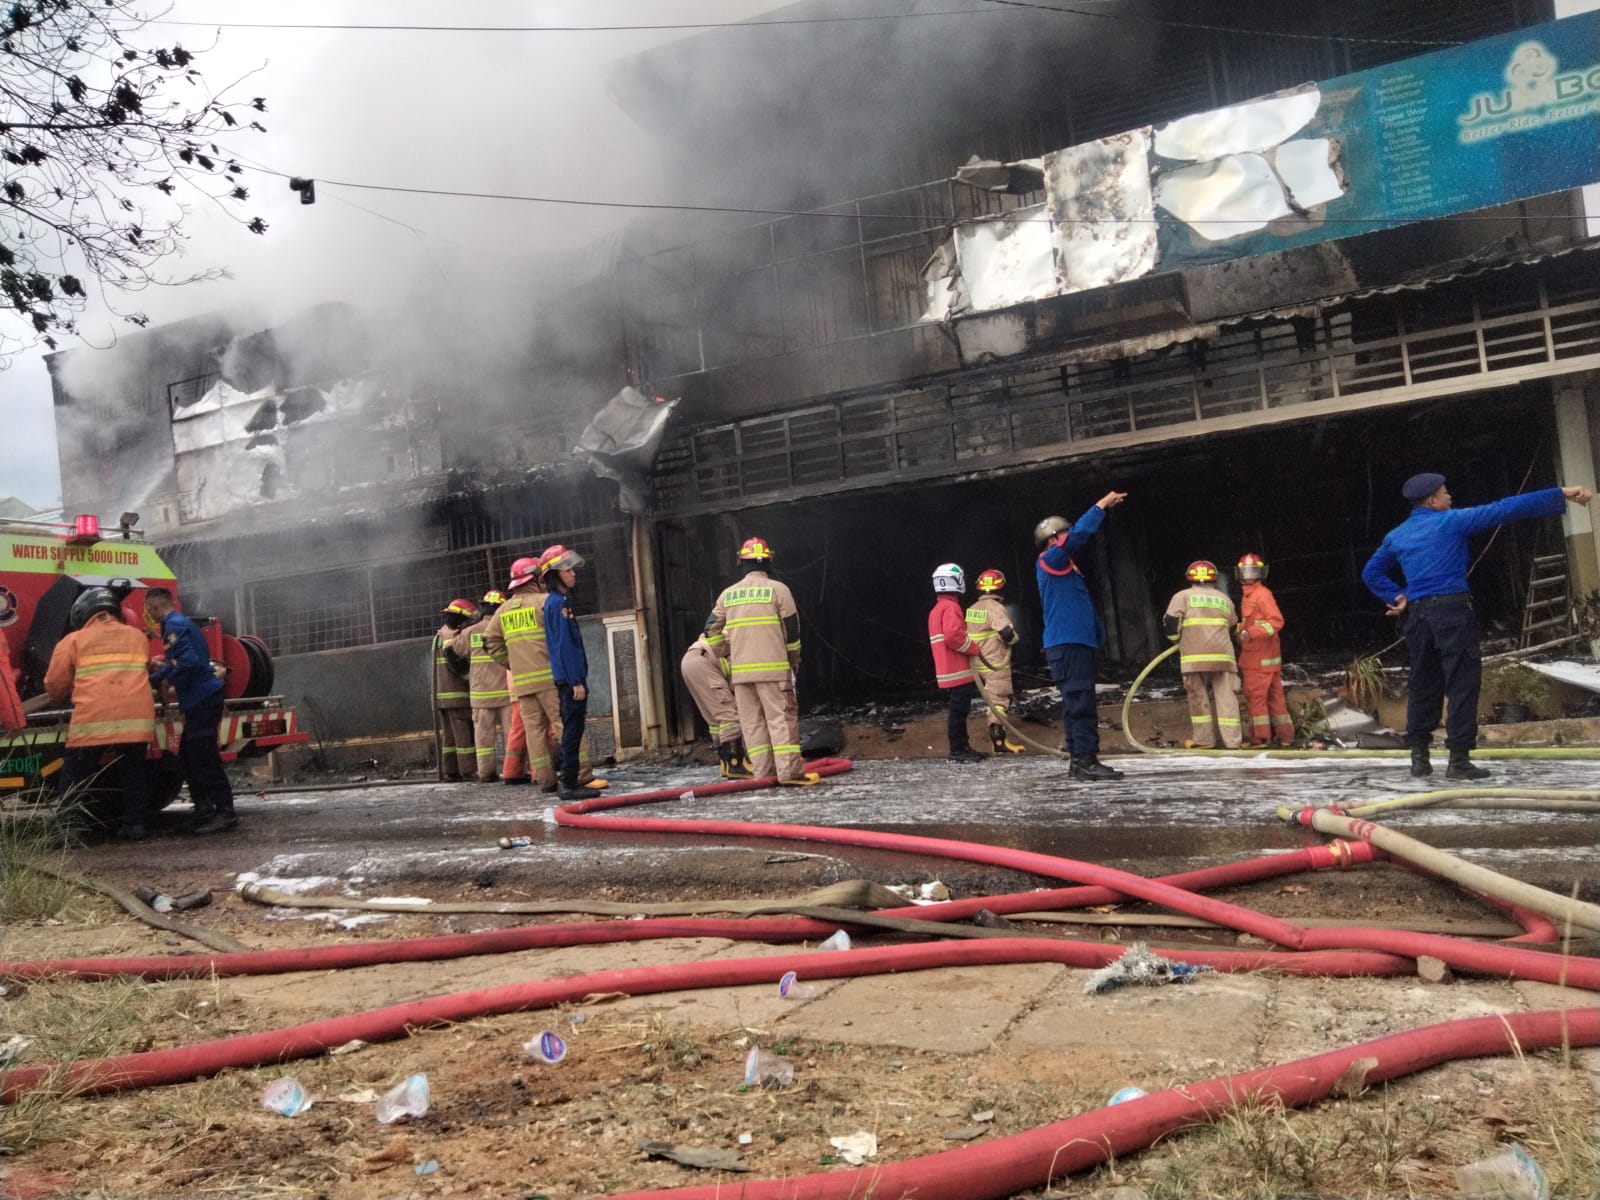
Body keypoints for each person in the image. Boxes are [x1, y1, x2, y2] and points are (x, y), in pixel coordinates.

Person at [1361, 473, 1594, 780]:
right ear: (1432, 500)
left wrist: (1396, 595)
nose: (1450, 496)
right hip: (1451, 612)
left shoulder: (1397, 535)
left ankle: (1419, 759)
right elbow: (1505, 508)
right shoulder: (1452, 521)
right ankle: (1458, 761)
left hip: (1418, 617)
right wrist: (1560, 492)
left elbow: (1371, 572)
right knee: (1462, 683)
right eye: (1445, 493)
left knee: (1423, 683)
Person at [703, 536, 819, 786]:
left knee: (752, 725)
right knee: (781, 720)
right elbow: (792, 631)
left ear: (741, 562)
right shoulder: (779, 590)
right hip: (774, 672)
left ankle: (763, 774)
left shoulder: (728, 595)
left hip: (741, 676)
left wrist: (725, 651)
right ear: (768, 561)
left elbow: (710, 629)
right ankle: (789, 773)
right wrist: (794, 661)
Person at [44, 587, 156, 841]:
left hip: (93, 719)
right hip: (136, 719)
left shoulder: (73, 641)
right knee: (133, 772)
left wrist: (60, 697)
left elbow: (55, 684)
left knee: (75, 773)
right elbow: (145, 668)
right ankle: (135, 825)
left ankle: (70, 828)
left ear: (83, 613)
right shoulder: (137, 637)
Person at [1034, 491, 1127, 782]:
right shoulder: (1051, 559)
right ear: (1053, 540)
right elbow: (1078, 536)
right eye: (1064, 533)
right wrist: (1100, 506)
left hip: (1074, 644)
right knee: (1080, 703)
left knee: (1078, 702)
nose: (1069, 536)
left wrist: (1096, 637)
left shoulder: (1066, 568)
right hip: (1068, 645)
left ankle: (1080, 761)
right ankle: (1085, 761)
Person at [144, 586, 239, 834]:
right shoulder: (178, 623)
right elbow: (179, 661)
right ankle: (204, 809)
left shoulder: (173, 626)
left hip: (202, 698)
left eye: (148, 609)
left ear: (154, 606)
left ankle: (225, 812)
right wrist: (158, 675)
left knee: (205, 757)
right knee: (187, 756)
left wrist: (161, 679)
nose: (148, 614)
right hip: (200, 698)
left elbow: (189, 662)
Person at [484, 560, 559, 790]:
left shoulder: (503, 610)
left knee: (532, 732)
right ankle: (580, 774)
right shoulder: (545, 602)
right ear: (535, 579)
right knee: (563, 725)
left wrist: (512, 663)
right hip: (549, 679)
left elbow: (489, 642)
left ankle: (544, 779)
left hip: (521, 684)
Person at [1163, 561, 1243, 750]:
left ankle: (1204, 740)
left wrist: (1177, 641)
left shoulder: (1182, 596)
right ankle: (1233, 742)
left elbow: (1171, 625)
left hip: (1194, 658)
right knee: (1228, 699)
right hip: (1223, 657)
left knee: (1198, 698)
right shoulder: (1224, 599)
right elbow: (1234, 627)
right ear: (1214, 578)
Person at [541, 545, 594, 800]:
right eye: (567, 570)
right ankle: (570, 783)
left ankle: (569, 780)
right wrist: (576, 681)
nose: (573, 573)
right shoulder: (557, 604)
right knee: (572, 730)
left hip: (568, 678)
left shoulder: (557, 602)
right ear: (555, 575)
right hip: (570, 680)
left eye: (572, 569)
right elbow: (564, 646)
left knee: (573, 728)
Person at [450, 589, 512, 782]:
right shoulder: (505, 627)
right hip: (505, 692)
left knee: (483, 738)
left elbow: (455, 649)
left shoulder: (470, 632)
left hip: (480, 694)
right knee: (512, 735)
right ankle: (515, 770)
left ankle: (486, 773)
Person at [1234, 553, 1294, 747]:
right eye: (1246, 571)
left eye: (1253, 571)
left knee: (1256, 699)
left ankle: (1259, 738)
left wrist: (1251, 633)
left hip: (1258, 660)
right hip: (1265, 659)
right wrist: (1240, 630)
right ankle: (1285, 736)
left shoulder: (1262, 594)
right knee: (1275, 699)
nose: (1249, 575)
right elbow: (1251, 622)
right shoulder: (1250, 595)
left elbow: (1276, 622)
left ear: (1260, 572)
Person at [928, 563, 986, 762]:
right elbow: (954, 636)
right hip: (958, 670)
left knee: (958, 711)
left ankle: (962, 748)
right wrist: (973, 648)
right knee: (959, 711)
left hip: (947, 670)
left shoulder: (937, 609)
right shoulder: (951, 607)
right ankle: (958, 750)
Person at [967, 568, 1024, 754]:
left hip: (977, 662)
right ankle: (999, 741)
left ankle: (999, 740)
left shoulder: (972, 609)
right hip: (995, 661)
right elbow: (1006, 633)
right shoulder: (995, 607)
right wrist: (1015, 639)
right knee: (999, 699)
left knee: (991, 697)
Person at [680, 634, 752, 779]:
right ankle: (736, 765)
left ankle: (726, 763)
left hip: (690, 660)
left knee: (714, 719)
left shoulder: (730, 630)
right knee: (729, 715)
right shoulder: (748, 645)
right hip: (704, 661)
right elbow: (737, 670)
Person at [432, 598, 478, 782]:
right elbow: (460, 668)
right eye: (468, 620)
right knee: (464, 736)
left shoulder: (439, 637)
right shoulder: (452, 638)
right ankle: (468, 770)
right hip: (458, 696)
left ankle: (450, 770)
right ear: (460, 620)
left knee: (450, 737)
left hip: (443, 697)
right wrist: (474, 678)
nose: (469, 623)